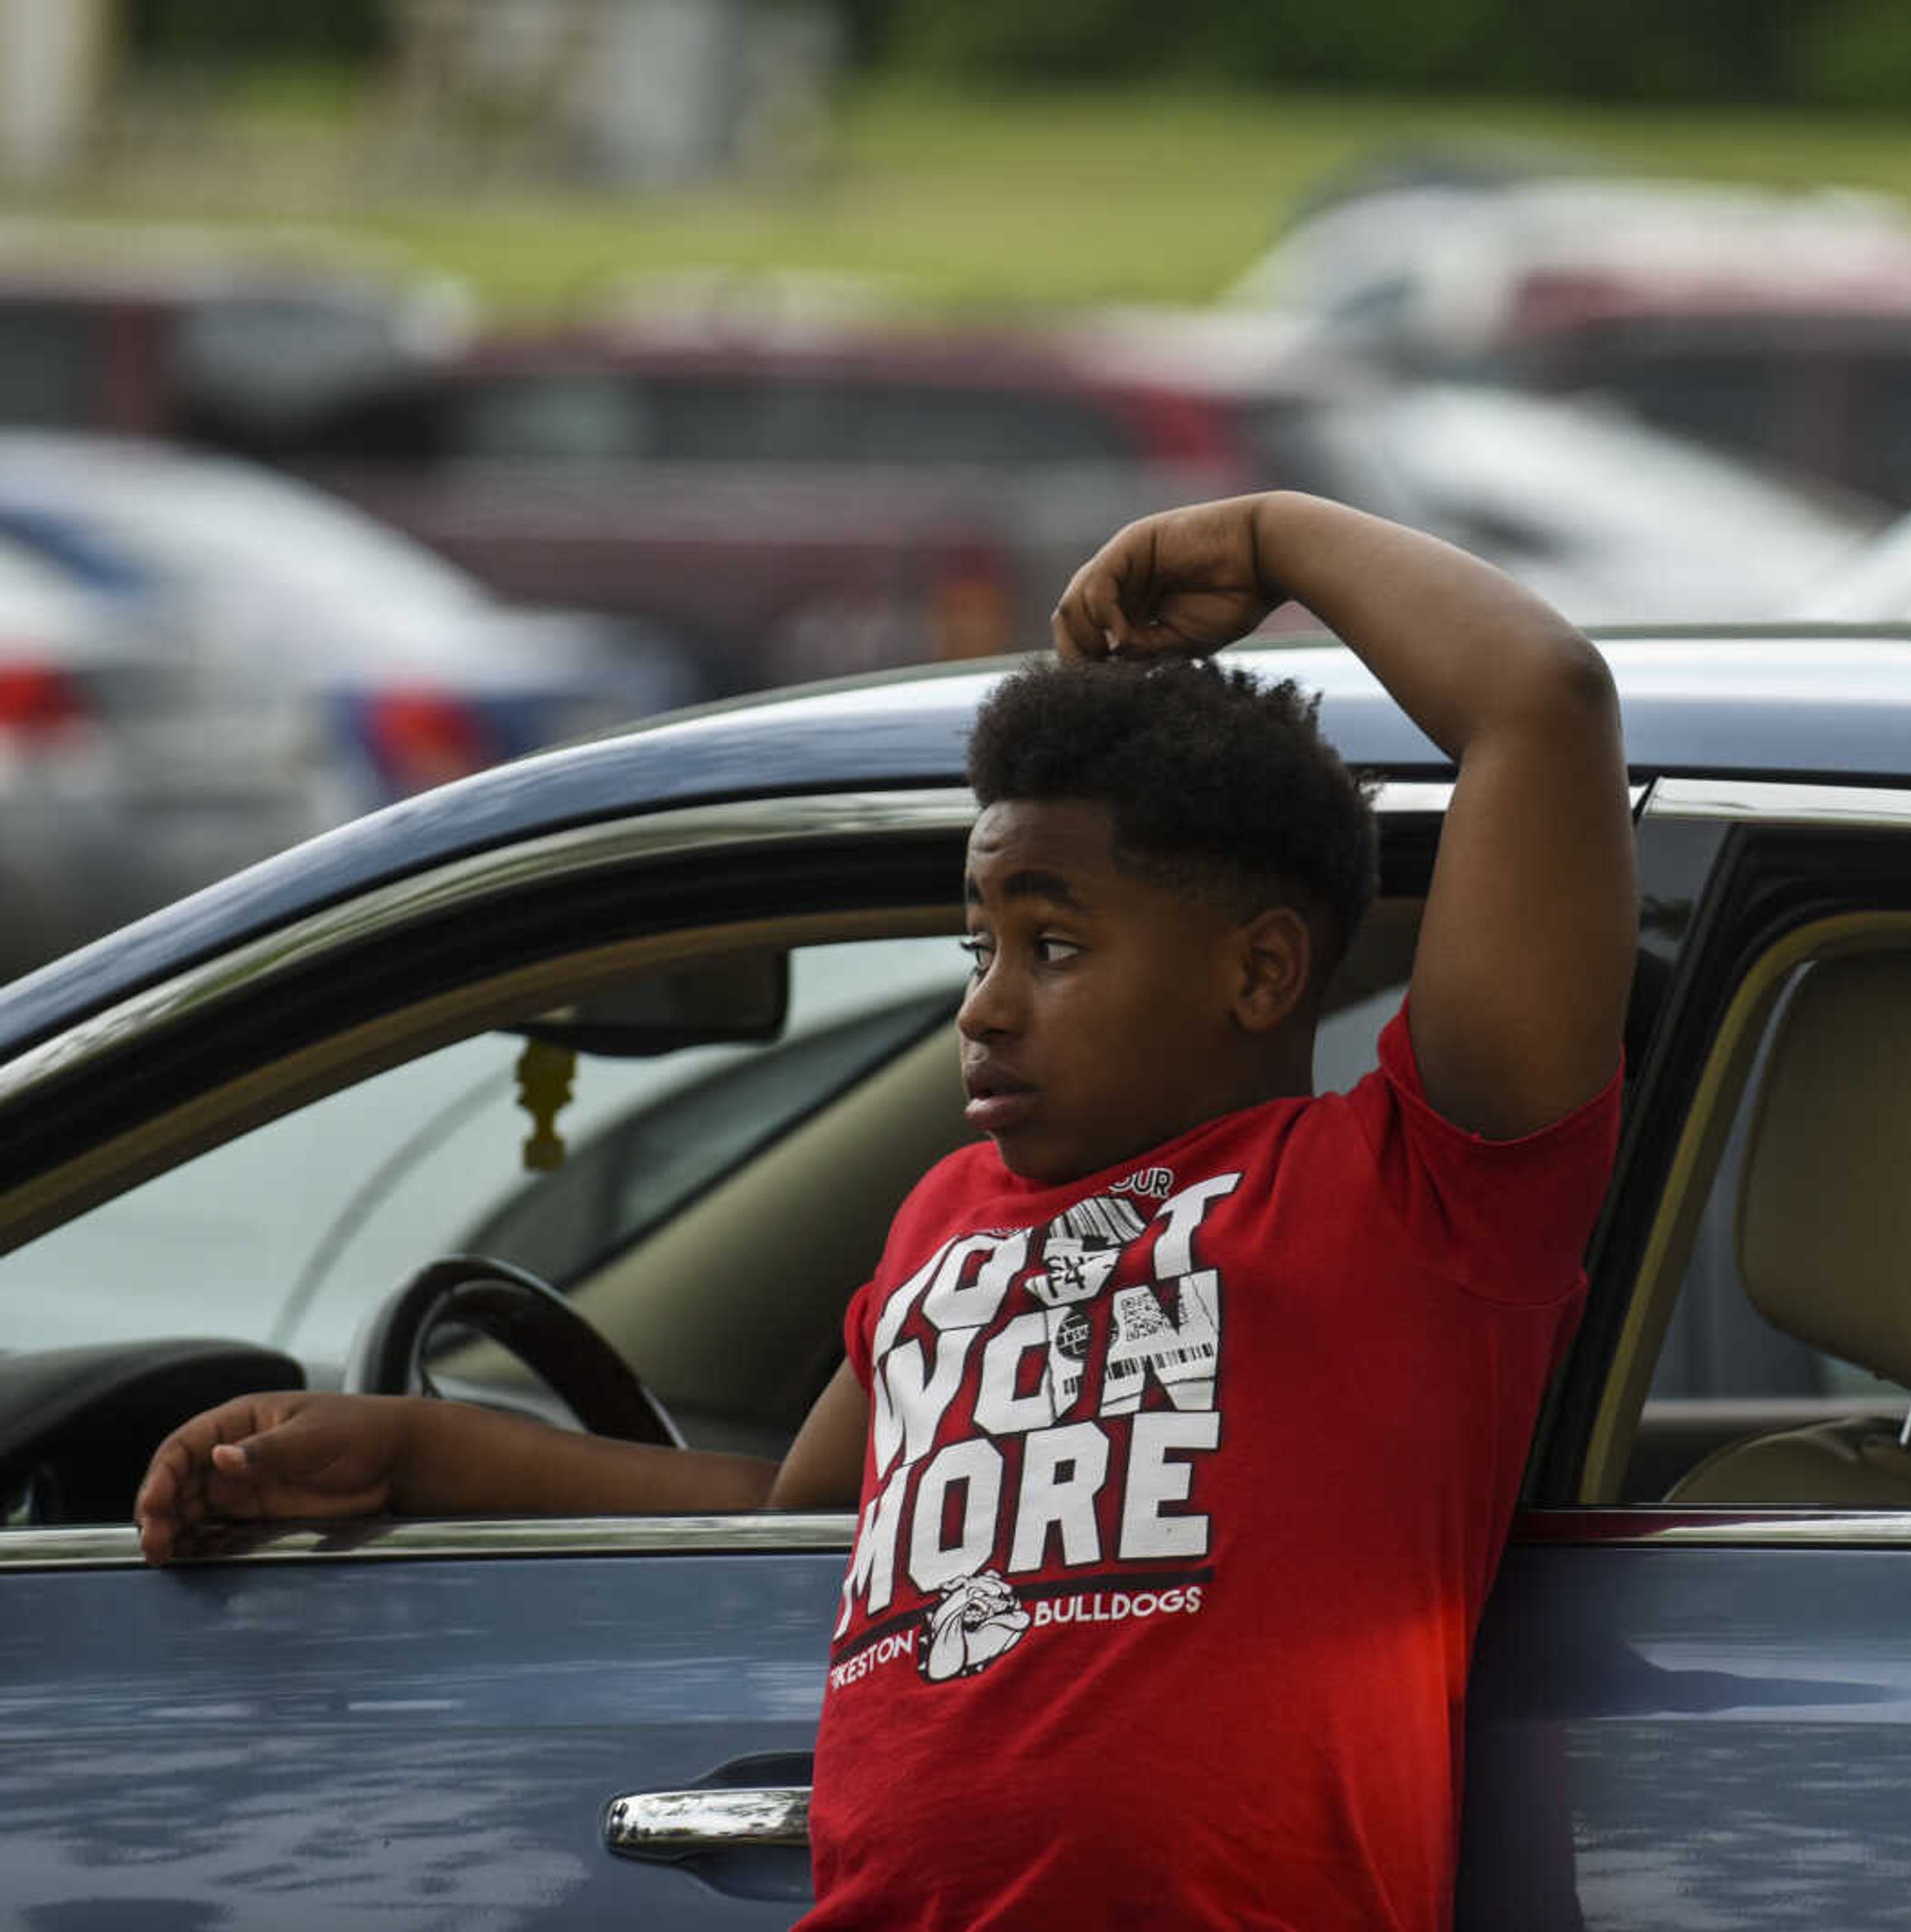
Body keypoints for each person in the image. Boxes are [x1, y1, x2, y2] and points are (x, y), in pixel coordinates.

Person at [133, 491, 1637, 1930]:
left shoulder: (1412, 1203)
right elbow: (804, 1526)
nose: (981, 1009)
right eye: (976, 941)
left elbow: (1540, 702)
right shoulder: (946, 1221)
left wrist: (1269, 535)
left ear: (1259, 972)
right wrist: (415, 1452)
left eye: (1053, 945)